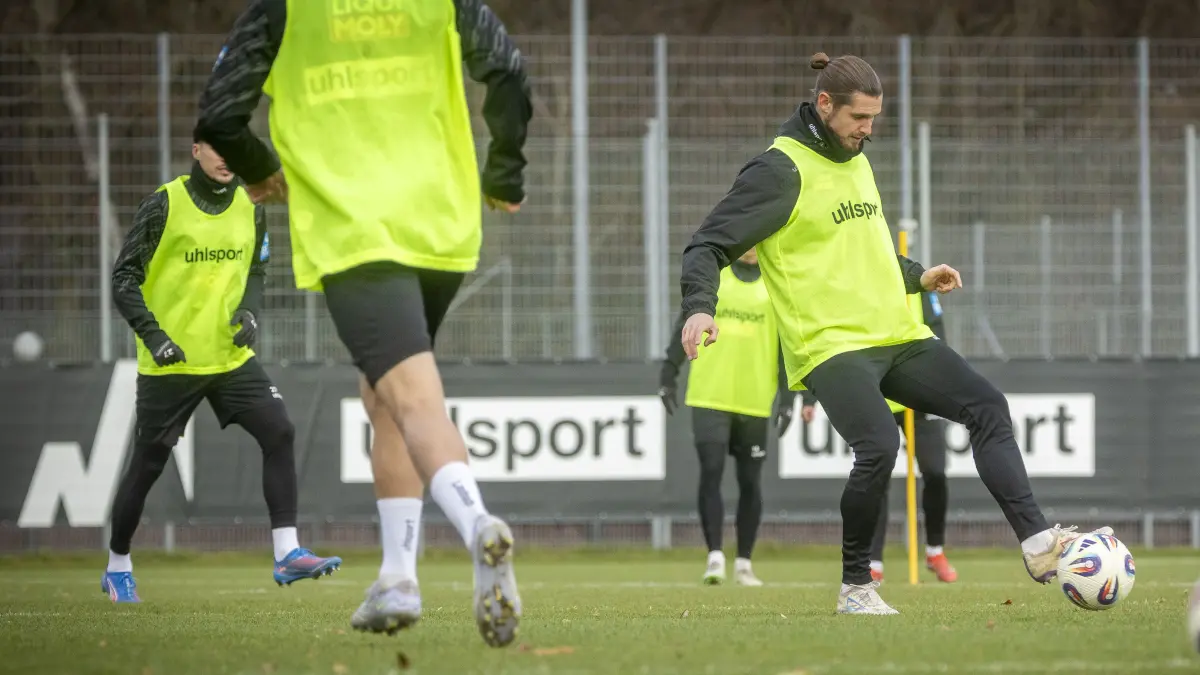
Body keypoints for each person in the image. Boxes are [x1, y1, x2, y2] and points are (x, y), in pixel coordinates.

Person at [677, 51, 1113, 615]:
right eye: (859, 118)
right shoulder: (778, 171)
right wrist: (699, 307)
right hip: (831, 345)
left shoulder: (857, 159)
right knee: (880, 446)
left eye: (875, 119)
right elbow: (706, 243)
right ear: (824, 104)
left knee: (988, 406)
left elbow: (869, 254)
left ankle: (1037, 545)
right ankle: (856, 588)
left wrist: (917, 275)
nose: (868, 130)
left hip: (897, 333)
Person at [193, 0, 532, 646]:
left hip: (356, 232)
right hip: (441, 226)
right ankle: (397, 576)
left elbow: (218, 114)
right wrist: (505, 169)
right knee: (382, 393)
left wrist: (261, 170)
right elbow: (511, 72)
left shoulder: (283, 10)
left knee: (411, 396)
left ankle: (479, 525)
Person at [105, 137, 342, 604]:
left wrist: (251, 312)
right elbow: (123, 279)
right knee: (147, 465)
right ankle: (117, 565)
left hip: (230, 358)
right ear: (196, 150)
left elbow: (257, 267)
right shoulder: (163, 205)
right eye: (216, 148)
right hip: (171, 363)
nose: (225, 159)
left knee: (279, 431)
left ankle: (287, 552)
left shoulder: (250, 203)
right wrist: (155, 337)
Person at [659, 248, 795, 587]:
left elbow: (786, 345)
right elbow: (686, 323)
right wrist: (668, 371)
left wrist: (791, 395)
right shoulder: (716, 278)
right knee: (712, 473)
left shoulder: (776, 284)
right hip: (710, 394)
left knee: (750, 483)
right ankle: (715, 557)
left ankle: (745, 563)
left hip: (755, 400)